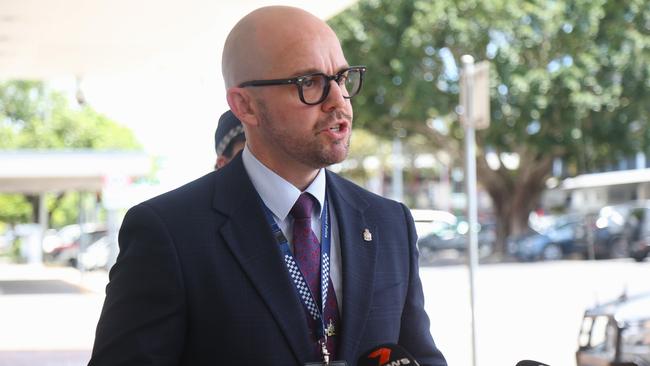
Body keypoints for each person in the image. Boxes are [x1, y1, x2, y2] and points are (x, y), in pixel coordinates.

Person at [89, 6, 447, 366]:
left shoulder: (390, 222)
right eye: (309, 82)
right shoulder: (169, 233)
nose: (338, 100)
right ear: (245, 106)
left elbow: (420, 355)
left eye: (341, 77)